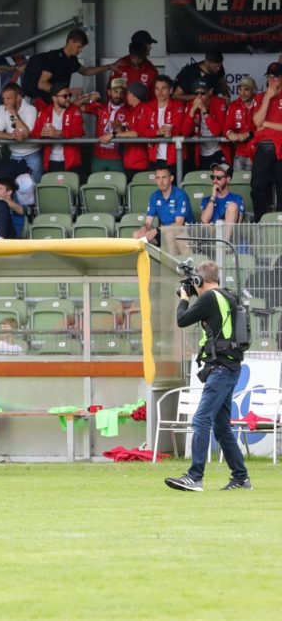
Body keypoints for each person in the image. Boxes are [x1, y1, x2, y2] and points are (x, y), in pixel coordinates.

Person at [166, 260, 250, 492]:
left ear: (199, 280)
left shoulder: (210, 297)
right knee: (221, 427)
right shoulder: (227, 295)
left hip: (221, 369)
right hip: (230, 367)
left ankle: (195, 477)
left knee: (201, 419)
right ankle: (241, 478)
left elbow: (182, 320)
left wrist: (185, 298)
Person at [23, 28, 113, 110]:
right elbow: (41, 83)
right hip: (45, 103)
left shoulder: (72, 60)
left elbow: (86, 71)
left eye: (82, 48)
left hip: (60, 103)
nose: (80, 50)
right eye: (79, 46)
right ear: (70, 41)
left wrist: (109, 66)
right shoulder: (53, 58)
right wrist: (67, 91)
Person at [133, 164, 192, 255]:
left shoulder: (180, 195)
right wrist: (144, 229)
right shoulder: (154, 196)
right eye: (158, 178)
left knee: (169, 234)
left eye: (164, 177)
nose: (161, 181)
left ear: (171, 178)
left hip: (184, 231)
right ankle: (145, 263)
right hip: (163, 231)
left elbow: (179, 224)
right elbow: (148, 222)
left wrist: (157, 230)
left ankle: (171, 264)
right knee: (137, 235)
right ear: (155, 180)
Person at [31, 82, 85, 175]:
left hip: (71, 161)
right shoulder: (44, 112)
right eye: (65, 96)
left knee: (71, 184)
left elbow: (78, 132)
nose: (68, 98)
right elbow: (34, 133)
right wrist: (41, 134)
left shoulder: (74, 110)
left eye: (69, 95)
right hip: (51, 161)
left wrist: (58, 133)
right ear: (54, 98)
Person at [0, 82, 42, 185]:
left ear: (18, 98)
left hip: (32, 154)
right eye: (4, 99)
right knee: (14, 187)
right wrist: (10, 136)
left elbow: (26, 134)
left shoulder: (31, 109)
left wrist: (14, 114)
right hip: (14, 155)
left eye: (9, 98)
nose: (5, 102)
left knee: (33, 186)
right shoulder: (1, 109)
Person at [251, 62, 282, 221]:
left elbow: (263, 124)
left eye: (275, 78)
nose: (272, 81)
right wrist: (268, 98)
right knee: (257, 187)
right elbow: (257, 121)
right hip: (263, 149)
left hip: (281, 149)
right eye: (269, 77)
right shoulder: (260, 97)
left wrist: (267, 124)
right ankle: (261, 223)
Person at [82, 78, 129, 174]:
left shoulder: (129, 111)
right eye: (116, 91)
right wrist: (88, 98)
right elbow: (75, 107)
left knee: (119, 183)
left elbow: (133, 133)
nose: (119, 95)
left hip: (118, 157)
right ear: (109, 92)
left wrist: (121, 129)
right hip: (99, 155)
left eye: (122, 92)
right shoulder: (100, 107)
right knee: (96, 182)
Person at [147, 75, 191, 171]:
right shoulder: (148, 107)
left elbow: (183, 131)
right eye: (157, 88)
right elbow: (141, 130)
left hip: (175, 157)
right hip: (154, 158)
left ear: (170, 90)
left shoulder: (178, 106)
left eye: (164, 88)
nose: (160, 92)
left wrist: (171, 132)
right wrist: (157, 132)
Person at [186, 77, 228, 170]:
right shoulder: (191, 104)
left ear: (210, 92)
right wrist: (192, 111)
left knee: (220, 176)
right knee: (203, 178)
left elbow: (217, 131)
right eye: (196, 93)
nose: (199, 96)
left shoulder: (219, 103)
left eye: (202, 93)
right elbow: (185, 132)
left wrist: (204, 110)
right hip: (200, 152)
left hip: (219, 150)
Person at [199, 162, 244, 241]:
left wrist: (215, 227)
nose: (215, 181)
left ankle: (224, 244)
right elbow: (204, 220)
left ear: (228, 179)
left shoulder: (237, 199)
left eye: (219, 178)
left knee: (232, 206)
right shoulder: (207, 200)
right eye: (213, 177)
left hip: (230, 241)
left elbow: (238, 225)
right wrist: (213, 196)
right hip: (210, 241)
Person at [226, 76, 258, 172]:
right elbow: (226, 127)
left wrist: (249, 134)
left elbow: (265, 127)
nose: (242, 93)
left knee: (257, 181)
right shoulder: (233, 105)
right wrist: (230, 133)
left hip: (258, 153)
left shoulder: (260, 103)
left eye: (246, 89)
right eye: (240, 89)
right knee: (238, 181)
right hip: (240, 154)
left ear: (253, 90)